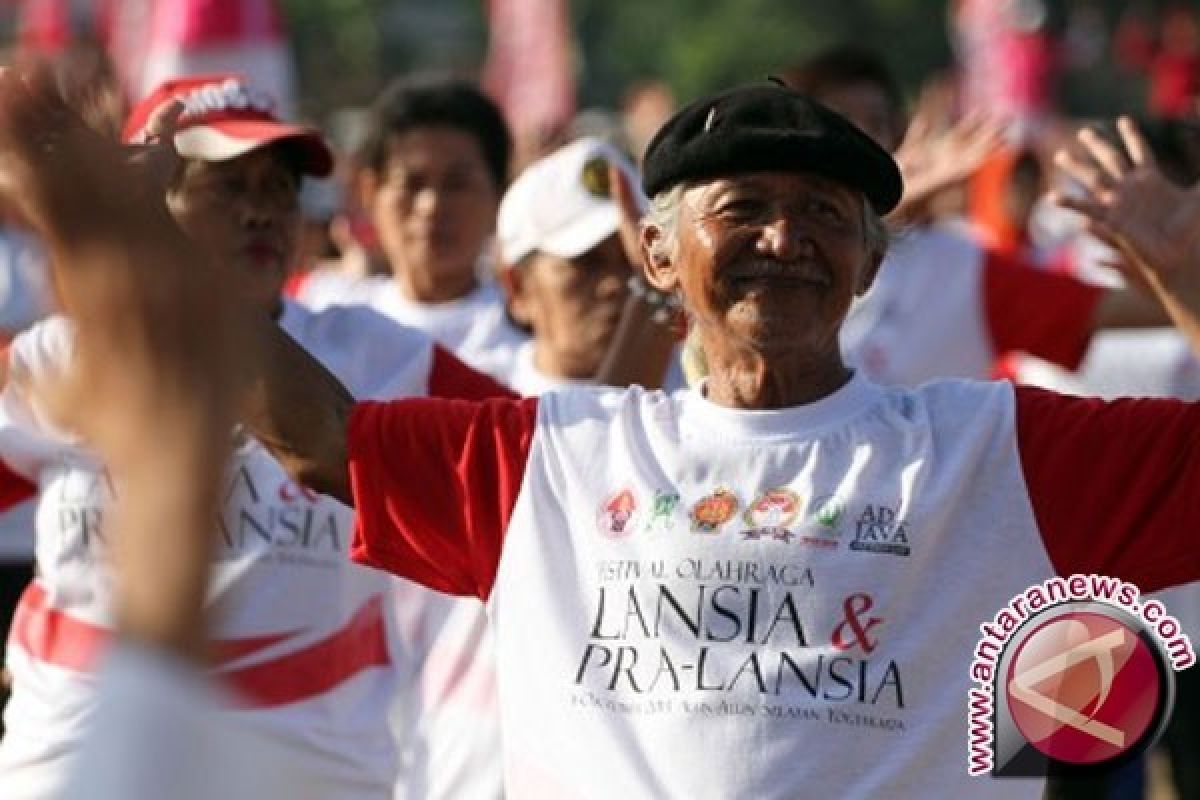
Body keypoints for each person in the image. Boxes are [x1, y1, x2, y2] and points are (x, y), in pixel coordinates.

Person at [213, 79, 1200, 799]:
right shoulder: (558, 457)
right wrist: (157, 257)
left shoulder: (991, 451)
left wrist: (1190, 284)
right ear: (656, 251)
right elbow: (319, 439)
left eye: (823, 212)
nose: (785, 237)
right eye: (744, 209)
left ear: (866, 266)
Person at [0, 73, 509, 800]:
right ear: (147, 200)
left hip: (313, 771)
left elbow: (548, 472)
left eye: (277, 187)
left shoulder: (382, 357)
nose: (260, 212)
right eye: (226, 186)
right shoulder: (55, 360)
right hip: (81, 761)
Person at [785, 45, 1171, 387]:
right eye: (842, 124)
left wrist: (1178, 265)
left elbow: (1138, 311)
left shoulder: (960, 269)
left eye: (877, 123)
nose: (862, 140)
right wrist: (877, 216)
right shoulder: (768, 254)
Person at [298, 75, 528, 381]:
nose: (431, 206)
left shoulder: (534, 333)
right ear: (369, 192)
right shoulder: (323, 317)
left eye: (457, 185)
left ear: (500, 194)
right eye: (411, 184)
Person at [495, 136, 678, 395]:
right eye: (587, 262)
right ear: (517, 288)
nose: (616, 284)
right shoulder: (483, 417)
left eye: (635, 260)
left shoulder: (710, 398)